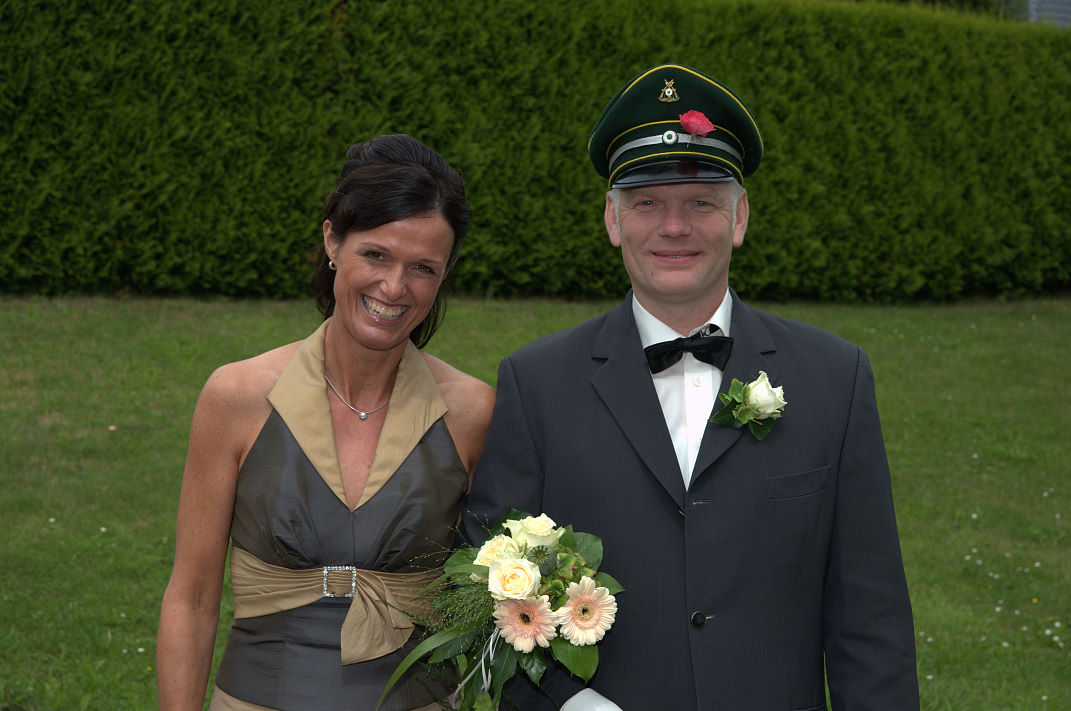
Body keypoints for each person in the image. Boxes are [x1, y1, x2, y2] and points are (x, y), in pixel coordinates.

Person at [463, 64, 919, 710]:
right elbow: (485, 588)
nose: (673, 228)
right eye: (647, 203)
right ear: (612, 219)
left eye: (700, 203)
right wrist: (568, 703)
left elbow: (870, 614)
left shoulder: (832, 378)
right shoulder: (536, 384)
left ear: (739, 217)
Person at [157, 134, 495, 711]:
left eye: (423, 268)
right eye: (376, 255)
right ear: (332, 240)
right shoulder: (237, 397)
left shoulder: (472, 413)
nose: (395, 288)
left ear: (446, 274)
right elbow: (191, 598)